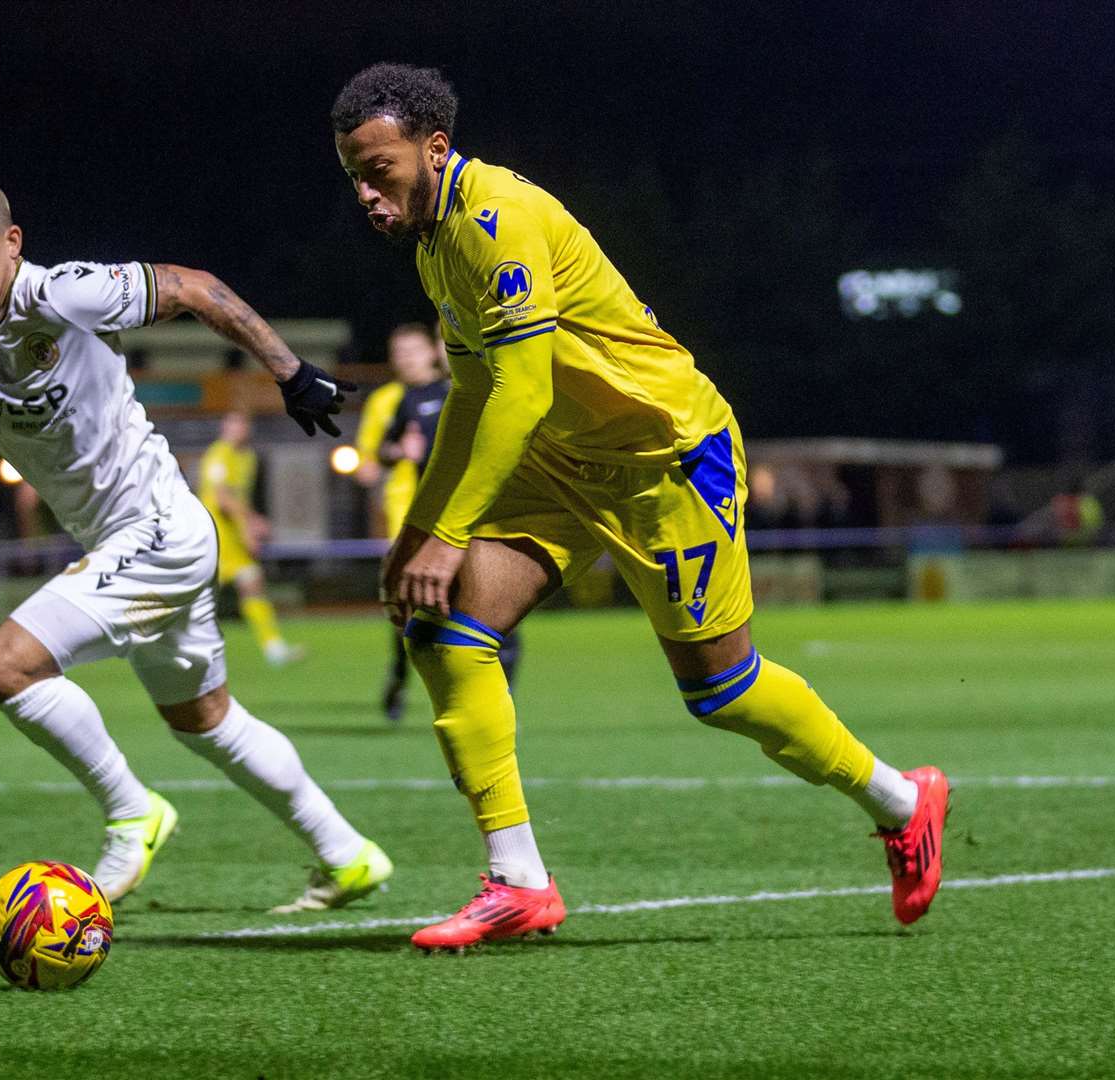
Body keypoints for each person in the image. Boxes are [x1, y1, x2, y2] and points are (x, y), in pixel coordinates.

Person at [331, 64, 948, 951]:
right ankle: (519, 882)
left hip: (666, 458)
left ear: (434, 149)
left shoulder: (493, 219)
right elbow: (472, 391)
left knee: (721, 691)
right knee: (444, 626)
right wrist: (423, 534)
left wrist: (450, 531)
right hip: (565, 460)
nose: (364, 191)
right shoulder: (436, 243)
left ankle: (901, 799)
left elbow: (519, 388)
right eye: (352, 172)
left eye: (378, 169)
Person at [0, 179, 391, 913]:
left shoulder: (65, 295)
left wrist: (290, 372)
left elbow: (196, 289)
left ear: (12, 245)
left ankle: (131, 812)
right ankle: (348, 855)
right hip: (135, 541)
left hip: (158, 533)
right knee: (208, 723)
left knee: (7, 665)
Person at [355, 323, 520, 719]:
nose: (406, 359)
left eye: (414, 350)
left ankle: (498, 693)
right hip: (412, 515)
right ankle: (400, 674)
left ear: (433, 350)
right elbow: (370, 460)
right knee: (411, 606)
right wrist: (397, 452)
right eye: (399, 352)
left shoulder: (461, 390)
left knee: (494, 595)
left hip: (468, 510)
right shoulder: (392, 400)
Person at [196, 410, 306, 666]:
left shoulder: (247, 457)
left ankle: (274, 649)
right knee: (198, 598)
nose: (236, 430)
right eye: (232, 424)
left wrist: (246, 529)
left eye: (241, 425)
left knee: (253, 585)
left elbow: (238, 499)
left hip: (234, 539)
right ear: (224, 427)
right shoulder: (218, 455)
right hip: (214, 538)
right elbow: (222, 500)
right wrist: (253, 521)